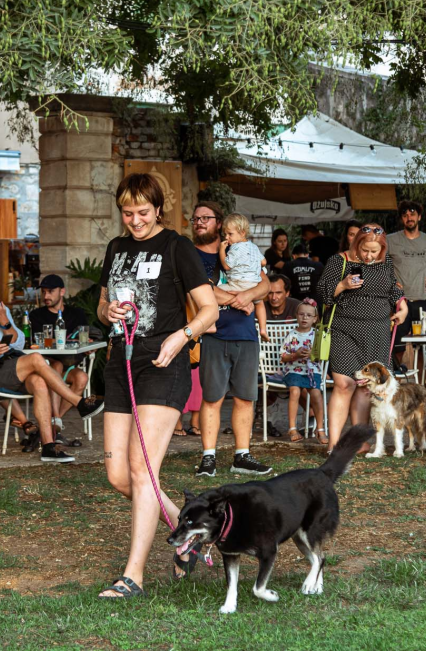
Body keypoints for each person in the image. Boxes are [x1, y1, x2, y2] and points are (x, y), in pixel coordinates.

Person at [97, 173, 217, 599]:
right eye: (127, 213)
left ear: (158, 209)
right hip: (121, 361)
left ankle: (134, 576)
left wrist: (181, 336)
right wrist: (108, 310)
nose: (134, 221)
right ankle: (190, 530)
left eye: (142, 212)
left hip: (165, 362)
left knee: (142, 470)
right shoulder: (116, 248)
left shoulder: (177, 246)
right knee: (118, 475)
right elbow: (101, 304)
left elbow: (209, 310)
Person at [0, 269, 103, 463]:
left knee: (38, 381)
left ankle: (48, 446)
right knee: (37, 358)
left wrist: (4, 321)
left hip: (8, 368)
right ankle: (79, 402)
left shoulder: (1, 310)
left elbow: (19, 343)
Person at [190, 202, 273, 477]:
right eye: (196, 218)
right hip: (215, 334)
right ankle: (209, 456)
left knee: (245, 398)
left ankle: (242, 455)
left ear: (220, 223)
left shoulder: (244, 252)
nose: (199, 222)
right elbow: (204, 291)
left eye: (206, 218)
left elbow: (265, 284)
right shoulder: (194, 258)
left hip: (246, 335)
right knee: (212, 397)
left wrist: (249, 297)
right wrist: (241, 301)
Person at [317, 224, 407, 450]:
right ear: (357, 243)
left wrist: (402, 305)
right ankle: (334, 443)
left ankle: (359, 441)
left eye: (374, 251)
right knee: (344, 384)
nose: (368, 256)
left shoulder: (385, 262)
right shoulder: (340, 260)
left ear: (382, 249)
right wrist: (343, 285)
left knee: (366, 386)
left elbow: (393, 289)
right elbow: (322, 291)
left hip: (377, 331)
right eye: (365, 250)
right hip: (344, 329)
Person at [387, 201, 426, 365]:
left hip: (422, 301)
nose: (409, 218)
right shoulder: (390, 240)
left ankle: (420, 386)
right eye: (405, 215)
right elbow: (379, 264)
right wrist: (391, 282)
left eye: (412, 214)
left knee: (423, 348)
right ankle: (394, 386)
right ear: (402, 219)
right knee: (396, 348)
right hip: (399, 302)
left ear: (419, 217)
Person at [28, 274, 90, 429]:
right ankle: (55, 417)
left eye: (50, 291)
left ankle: (56, 420)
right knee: (56, 365)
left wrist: (88, 346)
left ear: (62, 292)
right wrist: (70, 342)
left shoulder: (77, 314)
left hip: (70, 364)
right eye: (43, 292)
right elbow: (39, 342)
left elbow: (85, 339)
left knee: (82, 377)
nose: (46, 296)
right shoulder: (37, 315)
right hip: (46, 367)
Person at [217, 213, 268, 341]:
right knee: (260, 303)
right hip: (254, 284)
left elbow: (227, 266)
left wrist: (222, 250)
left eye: (230, 234)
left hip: (238, 283)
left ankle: (210, 324)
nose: (227, 238)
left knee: (212, 292)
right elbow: (264, 262)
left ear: (242, 233)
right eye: (225, 234)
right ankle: (263, 329)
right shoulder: (254, 247)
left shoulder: (235, 248)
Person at [280, 300, 325, 444]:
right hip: (294, 371)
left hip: (312, 371)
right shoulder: (291, 335)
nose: (305, 318)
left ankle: (320, 429)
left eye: (309, 315)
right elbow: (283, 356)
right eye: (301, 314)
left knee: (316, 394)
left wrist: (313, 354)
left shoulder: (318, 336)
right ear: (296, 316)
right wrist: (296, 355)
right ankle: (292, 428)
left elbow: (323, 356)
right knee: (295, 391)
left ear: (315, 319)